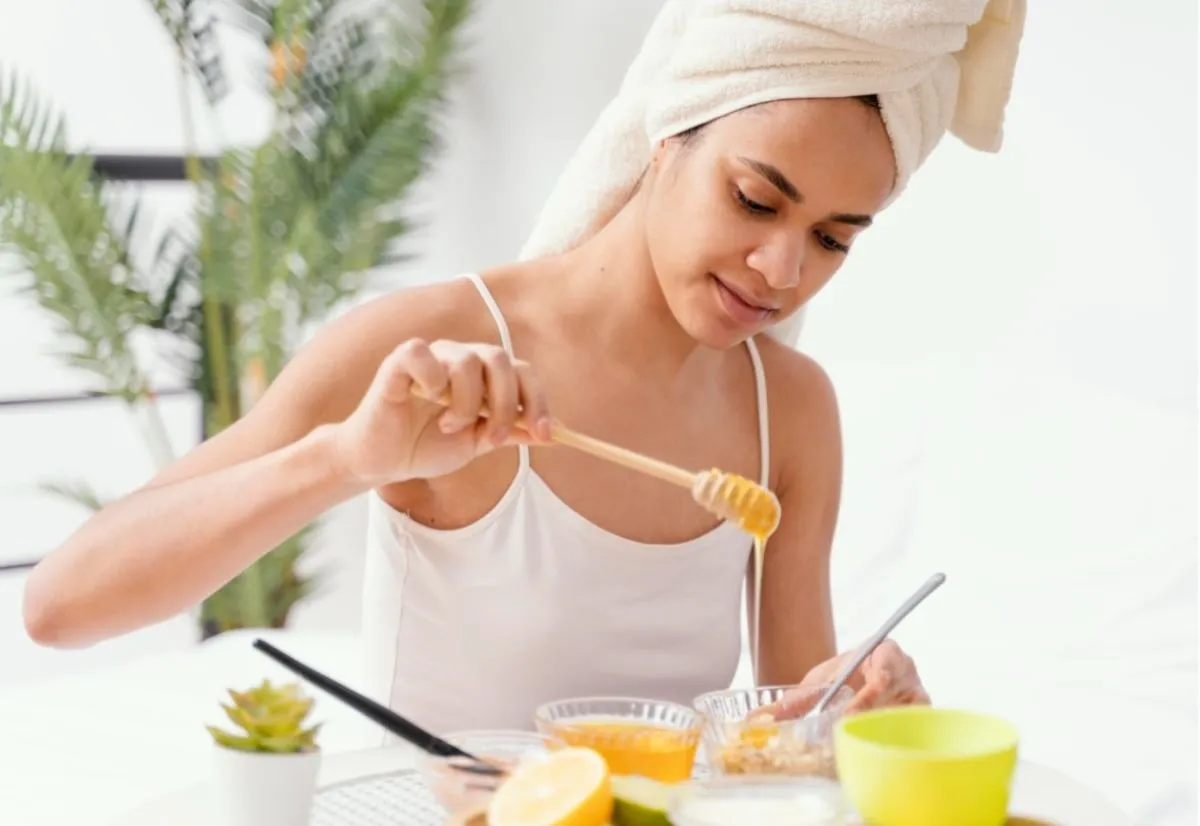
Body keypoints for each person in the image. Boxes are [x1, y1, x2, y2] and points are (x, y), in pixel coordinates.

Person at [22, 0, 1025, 737]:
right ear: (667, 135)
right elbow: (61, 603)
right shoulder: (435, 349)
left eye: (835, 238)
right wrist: (345, 458)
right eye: (757, 201)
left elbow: (793, 711)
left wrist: (864, 708)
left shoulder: (791, 412)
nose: (783, 271)